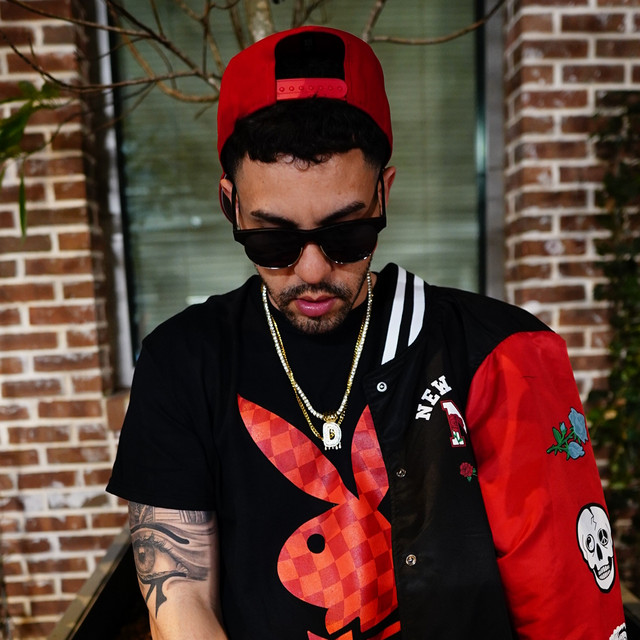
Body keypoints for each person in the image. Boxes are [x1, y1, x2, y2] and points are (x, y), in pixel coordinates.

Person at [107, 25, 628, 640]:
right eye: (272, 239)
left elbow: (569, 611)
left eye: (346, 233)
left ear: (384, 194)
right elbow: (179, 597)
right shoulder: (183, 360)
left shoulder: (500, 354)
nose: (312, 270)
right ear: (230, 205)